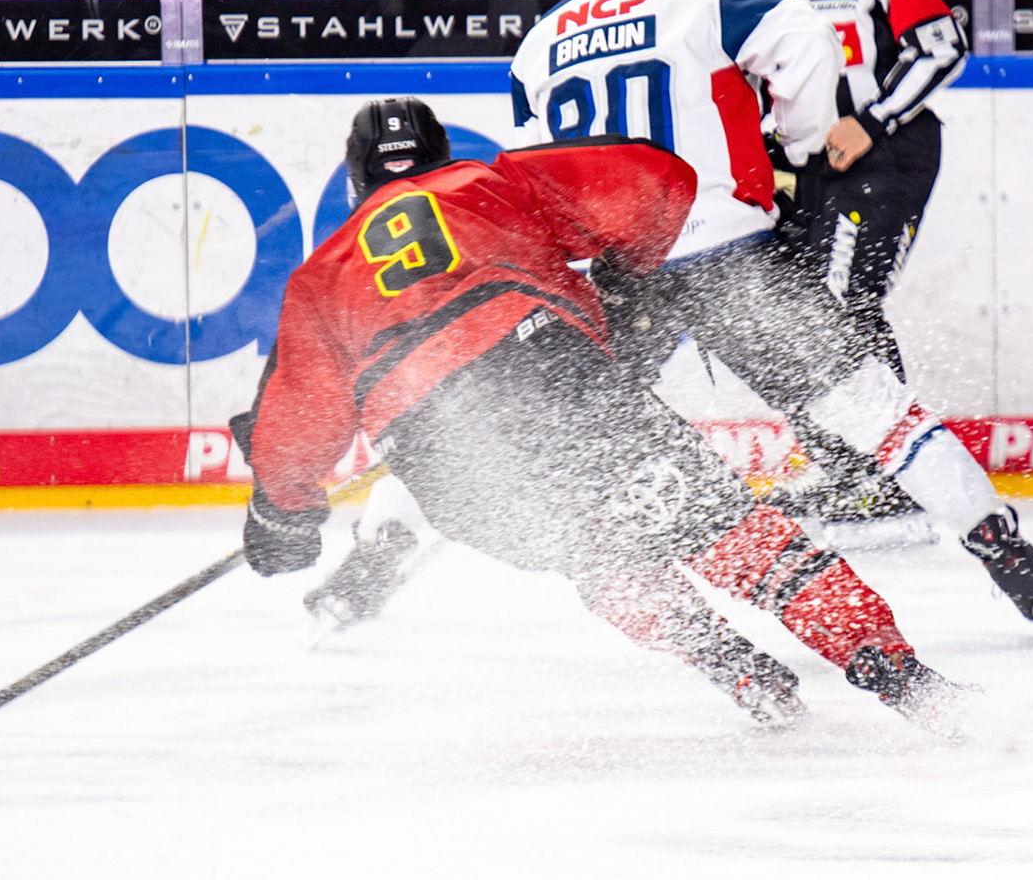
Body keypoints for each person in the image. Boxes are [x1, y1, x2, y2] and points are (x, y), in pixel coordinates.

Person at [238, 97, 967, 729]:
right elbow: (657, 182)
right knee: (722, 531)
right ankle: (896, 671)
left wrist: (282, 520)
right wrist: (627, 271)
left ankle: (730, 665)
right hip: (547, 369)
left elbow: (293, 428)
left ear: (358, 182)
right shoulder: (494, 179)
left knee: (594, 552)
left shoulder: (320, 274)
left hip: (433, 441)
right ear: (439, 154)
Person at [513, 0, 1033, 633]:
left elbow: (539, 171)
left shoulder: (539, 40)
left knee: (530, 422)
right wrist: (805, 140)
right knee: (879, 414)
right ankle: (1010, 557)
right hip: (726, 254)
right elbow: (807, 36)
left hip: (618, 275)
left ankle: (386, 559)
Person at [731, 0, 968, 387]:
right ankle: (862, 462)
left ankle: (893, 465)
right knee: (796, 324)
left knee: (842, 309)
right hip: (800, 174)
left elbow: (941, 46)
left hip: (886, 155)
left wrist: (873, 121)